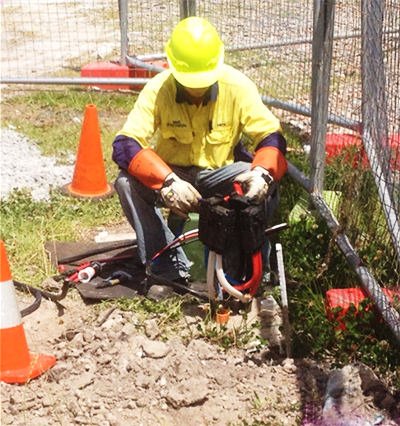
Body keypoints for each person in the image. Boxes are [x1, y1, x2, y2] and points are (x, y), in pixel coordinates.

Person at [112, 16, 287, 288]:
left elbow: (271, 136)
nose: (196, 88)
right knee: (126, 183)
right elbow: (125, 143)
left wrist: (263, 173)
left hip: (218, 174)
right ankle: (167, 267)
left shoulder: (237, 87)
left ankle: (247, 267)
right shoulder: (159, 89)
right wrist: (167, 182)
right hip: (174, 175)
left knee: (262, 183)